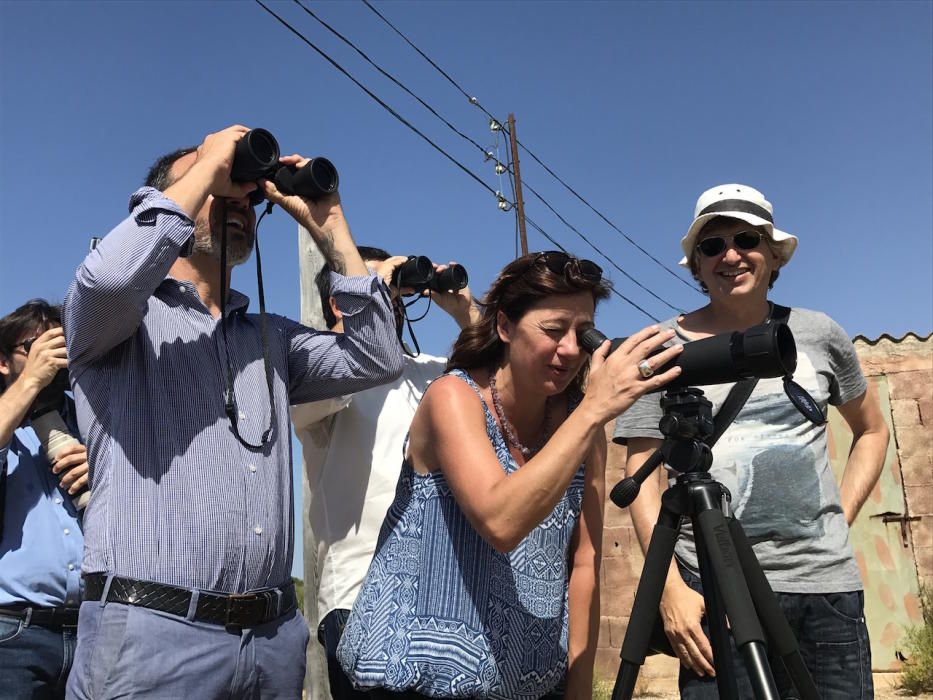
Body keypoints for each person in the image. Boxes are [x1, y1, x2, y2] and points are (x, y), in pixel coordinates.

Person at [62, 125, 405, 700]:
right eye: (221, 191)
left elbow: (377, 356)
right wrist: (208, 163)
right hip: (151, 635)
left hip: (272, 641)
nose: (239, 203)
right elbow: (109, 278)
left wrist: (331, 228)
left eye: (246, 196)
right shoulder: (121, 321)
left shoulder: (268, 336)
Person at [337, 251, 684, 699]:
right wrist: (596, 408)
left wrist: (578, 692)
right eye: (554, 331)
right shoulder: (453, 398)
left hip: (527, 686)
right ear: (504, 326)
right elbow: (500, 521)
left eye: (584, 333)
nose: (572, 350)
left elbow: (583, 564)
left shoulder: (580, 424)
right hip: (415, 684)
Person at [613, 184, 890, 699]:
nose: (730, 255)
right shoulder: (658, 348)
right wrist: (671, 590)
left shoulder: (818, 333)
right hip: (711, 588)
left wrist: (841, 517)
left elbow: (872, 429)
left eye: (746, 239)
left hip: (822, 587)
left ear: (772, 253)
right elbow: (641, 475)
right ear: (695, 264)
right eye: (712, 246)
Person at [293, 245, 481, 699]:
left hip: (450, 602)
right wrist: (371, 292)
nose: (394, 298)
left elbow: (507, 381)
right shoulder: (315, 374)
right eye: (380, 287)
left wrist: (467, 313)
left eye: (396, 291)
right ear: (342, 300)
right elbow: (318, 389)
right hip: (361, 602)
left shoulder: (437, 374)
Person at [0, 300, 89, 699]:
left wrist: (104, 469)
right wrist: (31, 381)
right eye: (34, 346)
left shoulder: (91, 423)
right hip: (13, 635)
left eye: (59, 342)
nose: (51, 354)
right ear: (3, 362)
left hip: (93, 630)